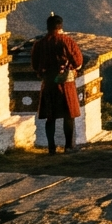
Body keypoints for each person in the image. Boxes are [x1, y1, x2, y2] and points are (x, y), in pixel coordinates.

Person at [31, 13, 83, 155]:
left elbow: (35, 65)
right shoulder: (67, 41)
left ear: (48, 27)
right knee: (68, 115)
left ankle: (51, 148)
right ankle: (68, 147)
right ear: (60, 26)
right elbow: (78, 62)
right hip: (66, 82)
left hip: (48, 83)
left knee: (50, 116)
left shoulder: (39, 44)